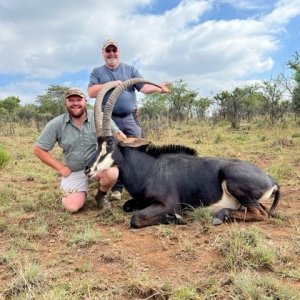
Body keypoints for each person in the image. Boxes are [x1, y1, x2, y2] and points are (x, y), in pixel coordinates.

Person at [88, 39, 171, 200]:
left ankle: (137, 184)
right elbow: (91, 92)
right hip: (109, 120)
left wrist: (158, 88)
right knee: (113, 152)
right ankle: (116, 187)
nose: (111, 53)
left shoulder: (130, 69)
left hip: (130, 118)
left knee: (135, 151)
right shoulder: (97, 72)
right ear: (103, 53)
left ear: (119, 52)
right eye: (108, 50)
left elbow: (144, 87)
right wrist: (112, 84)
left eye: (114, 50)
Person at [33, 87, 125, 213]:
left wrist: (122, 141)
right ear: (66, 103)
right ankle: (81, 189)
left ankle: (101, 194)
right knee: (71, 207)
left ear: (85, 101)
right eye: (71, 100)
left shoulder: (99, 117)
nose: (75, 103)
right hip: (74, 170)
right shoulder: (56, 123)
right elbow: (39, 149)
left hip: (97, 167)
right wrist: (61, 168)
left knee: (112, 172)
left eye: (79, 99)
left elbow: (118, 135)